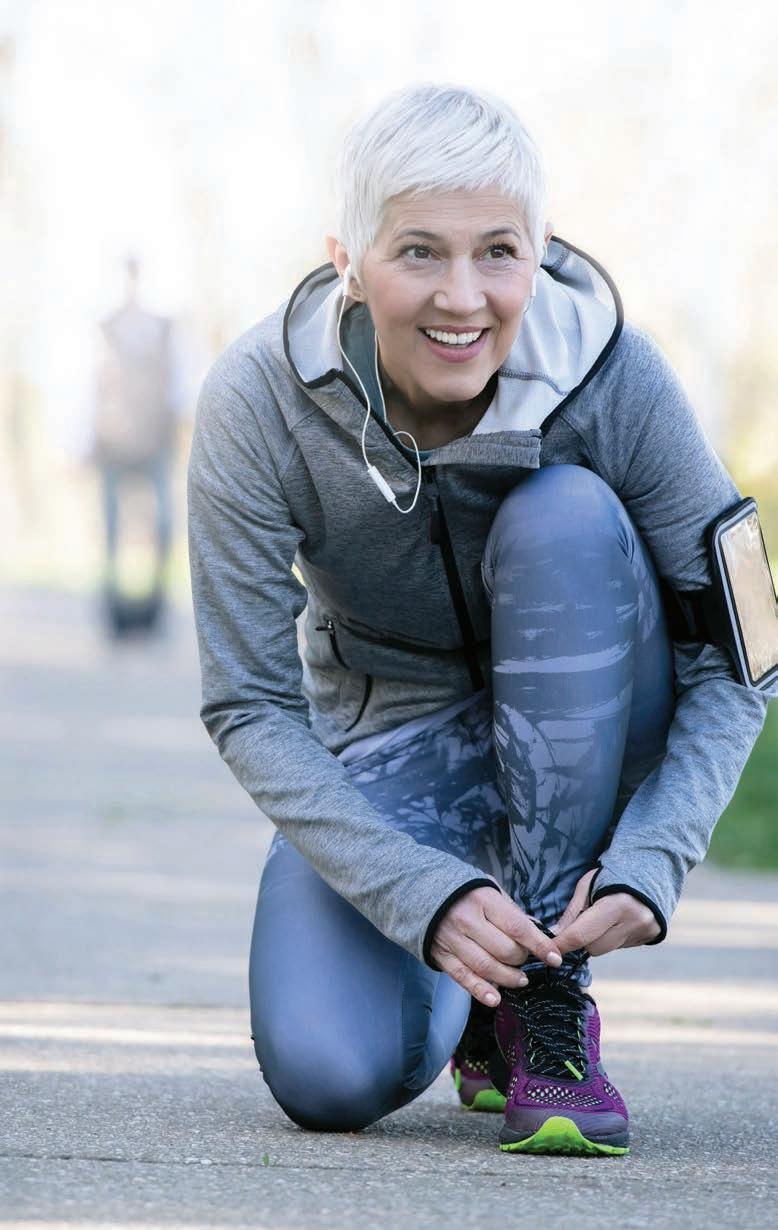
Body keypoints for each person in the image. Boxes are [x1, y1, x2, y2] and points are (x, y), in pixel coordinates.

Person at [187, 84, 775, 1157]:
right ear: (347, 262)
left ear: (539, 251)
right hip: (396, 744)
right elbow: (248, 703)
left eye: (498, 252)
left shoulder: (618, 379)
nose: (463, 298)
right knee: (328, 1075)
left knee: (565, 515)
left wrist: (658, 853)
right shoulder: (258, 400)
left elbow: (746, 655)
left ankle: (547, 1002)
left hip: (599, 714)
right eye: (419, 252)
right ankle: (479, 993)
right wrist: (422, 894)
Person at [92, 256, 185, 638]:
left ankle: (156, 606)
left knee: (164, 524)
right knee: (111, 528)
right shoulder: (104, 329)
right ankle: (113, 609)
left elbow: (180, 386)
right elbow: (90, 385)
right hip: (113, 442)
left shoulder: (166, 330)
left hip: (156, 439)